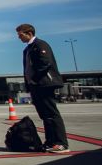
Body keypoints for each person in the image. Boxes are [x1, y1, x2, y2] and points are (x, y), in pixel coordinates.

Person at [17, 23, 68, 153]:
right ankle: (51, 142)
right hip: (35, 86)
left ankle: (61, 143)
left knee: (52, 114)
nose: (19, 37)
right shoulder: (27, 49)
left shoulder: (40, 45)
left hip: (45, 84)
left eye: (20, 35)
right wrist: (29, 84)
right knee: (45, 115)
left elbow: (46, 63)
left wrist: (34, 79)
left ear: (29, 33)